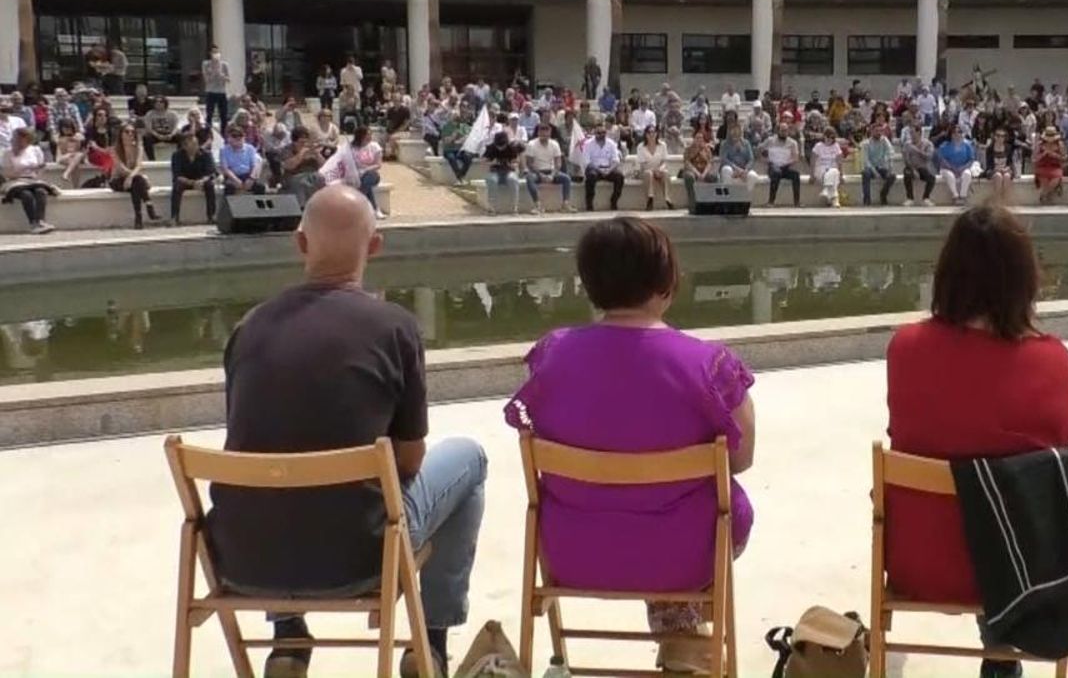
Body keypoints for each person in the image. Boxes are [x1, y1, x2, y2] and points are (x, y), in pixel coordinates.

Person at [210, 185, 486, 678]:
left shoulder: (248, 328)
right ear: (375, 247)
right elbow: (410, 461)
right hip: (361, 560)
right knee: (471, 459)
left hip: (243, 561)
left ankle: (288, 639)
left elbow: (250, 438)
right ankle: (430, 647)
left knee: (280, 466)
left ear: (300, 243)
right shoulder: (393, 327)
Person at [502, 218, 755, 673]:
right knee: (721, 505)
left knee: (650, 503)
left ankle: (676, 637)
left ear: (590, 283)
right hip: (683, 556)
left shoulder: (552, 355)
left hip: (571, 551)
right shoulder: (708, 364)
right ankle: (684, 636)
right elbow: (741, 459)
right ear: (666, 282)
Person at [884, 204, 1068, 657]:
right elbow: (1060, 447)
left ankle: (1000, 654)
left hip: (922, 561)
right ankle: (1001, 652)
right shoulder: (1053, 361)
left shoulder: (906, 348)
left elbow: (905, 428)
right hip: (1025, 571)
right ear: (1025, 279)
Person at [1, 127, 56, 234]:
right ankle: (33, 224)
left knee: (41, 191)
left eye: (22, 139)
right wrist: (25, 169)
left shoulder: (35, 150)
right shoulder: (7, 153)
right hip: (15, 181)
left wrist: (37, 176)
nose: (18, 141)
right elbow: (6, 173)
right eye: (17, 138)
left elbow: (41, 168)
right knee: (26, 194)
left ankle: (41, 221)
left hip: (32, 180)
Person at [524, 121, 575, 214]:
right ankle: (538, 205)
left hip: (551, 171)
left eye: (546, 132)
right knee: (529, 178)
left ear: (550, 133)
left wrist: (552, 174)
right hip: (537, 172)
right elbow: (529, 164)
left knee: (566, 178)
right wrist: (541, 175)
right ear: (538, 133)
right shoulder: (531, 144)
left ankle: (565, 204)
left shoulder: (555, 144)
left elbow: (558, 163)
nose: (544, 134)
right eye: (542, 131)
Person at [169, 131, 218, 226]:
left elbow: (211, 172)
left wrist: (201, 181)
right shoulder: (177, 155)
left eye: (196, 143)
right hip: (185, 181)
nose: (195, 146)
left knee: (210, 185)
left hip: (201, 180)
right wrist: (192, 182)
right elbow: (177, 175)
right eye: (192, 144)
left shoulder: (206, 154)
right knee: (176, 187)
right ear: (184, 146)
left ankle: (211, 215)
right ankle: (174, 217)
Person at [582, 124, 625, 211]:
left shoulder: (611, 143)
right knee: (591, 176)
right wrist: (600, 171)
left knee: (620, 176)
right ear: (594, 133)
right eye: (599, 133)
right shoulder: (588, 144)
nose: (601, 135)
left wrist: (609, 170)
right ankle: (589, 203)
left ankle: (614, 201)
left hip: (608, 168)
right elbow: (587, 162)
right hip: (595, 169)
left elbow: (616, 160)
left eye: (603, 132)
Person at [280, 126, 326, 206]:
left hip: (312, 175)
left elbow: (324, 165)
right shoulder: (287, 150)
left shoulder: (312, 149)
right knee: (300, 183)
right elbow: (289, 166)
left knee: (322, 179)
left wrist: (317, 154)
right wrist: (301, 153)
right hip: (294, 176)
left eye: (306, 141)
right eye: (301, 142)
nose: (304, 144)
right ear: (294, 142)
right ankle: (301, 207)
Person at [219, 126, 268, 197]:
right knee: (229, 188)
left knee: (260, 187)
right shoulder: (224, 150)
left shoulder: (250, 148)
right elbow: (225, 169)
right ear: (229, 138)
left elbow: (255, 165)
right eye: (234, 136)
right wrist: (236, 180)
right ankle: (226, 208)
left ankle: (258, 208)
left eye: (240, 135)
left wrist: (251, 179)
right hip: (233, 176)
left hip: (248, 175)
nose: (238, 138)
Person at [936, 125, 978, 205]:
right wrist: (952, 168)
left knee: (967, 174)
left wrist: (963, 168)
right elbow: (942, 159)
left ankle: (963, 196)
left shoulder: (967, 145)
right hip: (947, 168)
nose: (957, 134)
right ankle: (955, 196)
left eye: (959, 132)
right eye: (954, 132)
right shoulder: (944, 146)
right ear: (951, 134)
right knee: (950, 175)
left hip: (963, 167)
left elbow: (971, 159)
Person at [635, 124, 673, 211]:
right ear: (646, 134)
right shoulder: (641, 147)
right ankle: (650, 198)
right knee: (649, 174)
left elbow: (664, 161)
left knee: (666, 173)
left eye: (653, 132)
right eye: (649, 132)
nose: (651, 134)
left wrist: (660, 169)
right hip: (645, 170)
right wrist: (653, 170)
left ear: (656, 133)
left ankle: (667, 198)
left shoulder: (662, 145)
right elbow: (642, 164)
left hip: (659, 169)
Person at [764, 121, 802, 207]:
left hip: (785, 167)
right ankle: (771, 201)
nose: (784, 132)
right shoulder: (770, 140)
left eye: (786, 130)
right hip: (773, 167)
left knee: (796, 175)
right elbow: (759, 151)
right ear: (778, 131)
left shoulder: (793, 143)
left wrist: (787, 163)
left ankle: (797, 202)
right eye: (782, 130)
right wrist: (766, 160)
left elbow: (796, 158)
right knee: (776, 173)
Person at [900, 123, 937, 207]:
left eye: (913, 133)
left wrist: (917, 150)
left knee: (931, 178)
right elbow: (906, 159)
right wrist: (913, 169)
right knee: (907, 174)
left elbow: (929, 157)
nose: (911, 135)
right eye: (910, 133)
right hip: (911, 167)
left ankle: (926, 198)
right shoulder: (907, 144)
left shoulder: (928, 144)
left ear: (919, 132)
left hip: (923, 167)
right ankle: (910, 198)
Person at [717, 122, 759, 194]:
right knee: (726, 169)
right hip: (731, 169)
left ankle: (746, 197)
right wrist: (736, 168)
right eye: (732, 131)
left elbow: (751, 159)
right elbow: (724, 159)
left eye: (737, 131)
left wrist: (745, 170)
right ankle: (729, 197)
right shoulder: (724, 144)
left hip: (744, 170)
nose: (735, 133)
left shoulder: (746, 143)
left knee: (753, 176)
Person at [860, 123, 896, 206]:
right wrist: (875, 172)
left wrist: (890, 166)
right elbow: (866, 161)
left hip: (882, 167)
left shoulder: (884, 140)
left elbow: (891, 152)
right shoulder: (866, 143)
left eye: (880, 131)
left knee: (892, 176)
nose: (879, 133)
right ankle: (867, 199)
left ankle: (883, 194)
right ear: (872, 131)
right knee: (865, 173)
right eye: (876, 131)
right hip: (871, 168)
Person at [811, 126, 844, 207]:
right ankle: (834, 200)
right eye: (827, 136)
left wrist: (842, 174)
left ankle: (827, 191)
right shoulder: (818, 146)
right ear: (824, 136)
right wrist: (811, 175)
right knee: (832, 173)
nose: (829, 139)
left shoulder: (836, 146)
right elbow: (813, 161)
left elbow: (839, 161)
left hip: (832, 169)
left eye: (832, 137)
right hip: (820, 169)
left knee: (835, 172)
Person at [1033, 124, 1067, 205]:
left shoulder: (1060, 145)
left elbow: (1065, 157)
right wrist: (1044, 154)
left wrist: (1055, 155)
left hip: (1055, 167)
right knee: (1044, 178)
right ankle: (1047, 197)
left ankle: (1044, 195)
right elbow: (1034, 159)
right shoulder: (1040, 145)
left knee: (1055, 178)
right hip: (1042, 166)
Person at [203, 45, 231, 129]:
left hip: (221, 92)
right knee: (209, 113)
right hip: (210, 91)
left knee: (223, 114)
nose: (216, 54)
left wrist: (221, 75)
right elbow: (207, 80)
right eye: (213, 52)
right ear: (210, 53)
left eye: (217, 52)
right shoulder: (206, 64)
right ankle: (208, 131)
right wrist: (214, 71)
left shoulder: (224, 64)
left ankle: (224, 132)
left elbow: (228, 79)